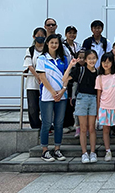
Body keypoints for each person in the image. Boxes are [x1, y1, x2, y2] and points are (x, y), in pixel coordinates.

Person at [36, 34, 69, 162]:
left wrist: (62, 91)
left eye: (56, 43)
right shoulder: (42, 58)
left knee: (59, 123)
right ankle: (45, 151)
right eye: (52, 43)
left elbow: (68, 76)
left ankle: (57, 149)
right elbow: (42, 77)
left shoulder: (63, 59)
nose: (54, 45)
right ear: (47, 44)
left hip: (62, 96)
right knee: (46, 123)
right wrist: (53, 92)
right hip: (47, 96)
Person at [62, 50, 99, 164]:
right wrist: (70, 66)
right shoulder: (80, 70)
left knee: (92, 128)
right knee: (83, 128)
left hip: (93, 99)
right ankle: (84, 153)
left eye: (94, 58)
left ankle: (93, 152)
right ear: (85, 60)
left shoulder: (98, 72)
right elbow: (64, 79)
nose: (91, 60)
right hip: (81, 99)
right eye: (89, 58)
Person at [95, 53, 115, 161]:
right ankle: (107, 151)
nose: (106, 64)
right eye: (104, 62)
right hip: (104, 106)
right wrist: (98, 109)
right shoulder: (99, 77)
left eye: (108, 61)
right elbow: (99, 94)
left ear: (112, 63)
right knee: (105, 130)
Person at [23, 27, 46, 129]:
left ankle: (47, 126)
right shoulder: (30, 50)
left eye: (42, 36)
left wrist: (42, 78)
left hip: (46, 82)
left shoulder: (48, 49)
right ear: (34, 37)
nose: (40, 38)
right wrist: (38, 77)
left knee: (45, 106)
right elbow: (29, 65)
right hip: (32, 82)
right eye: (38, 36)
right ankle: (35, 126)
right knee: (33, 106)